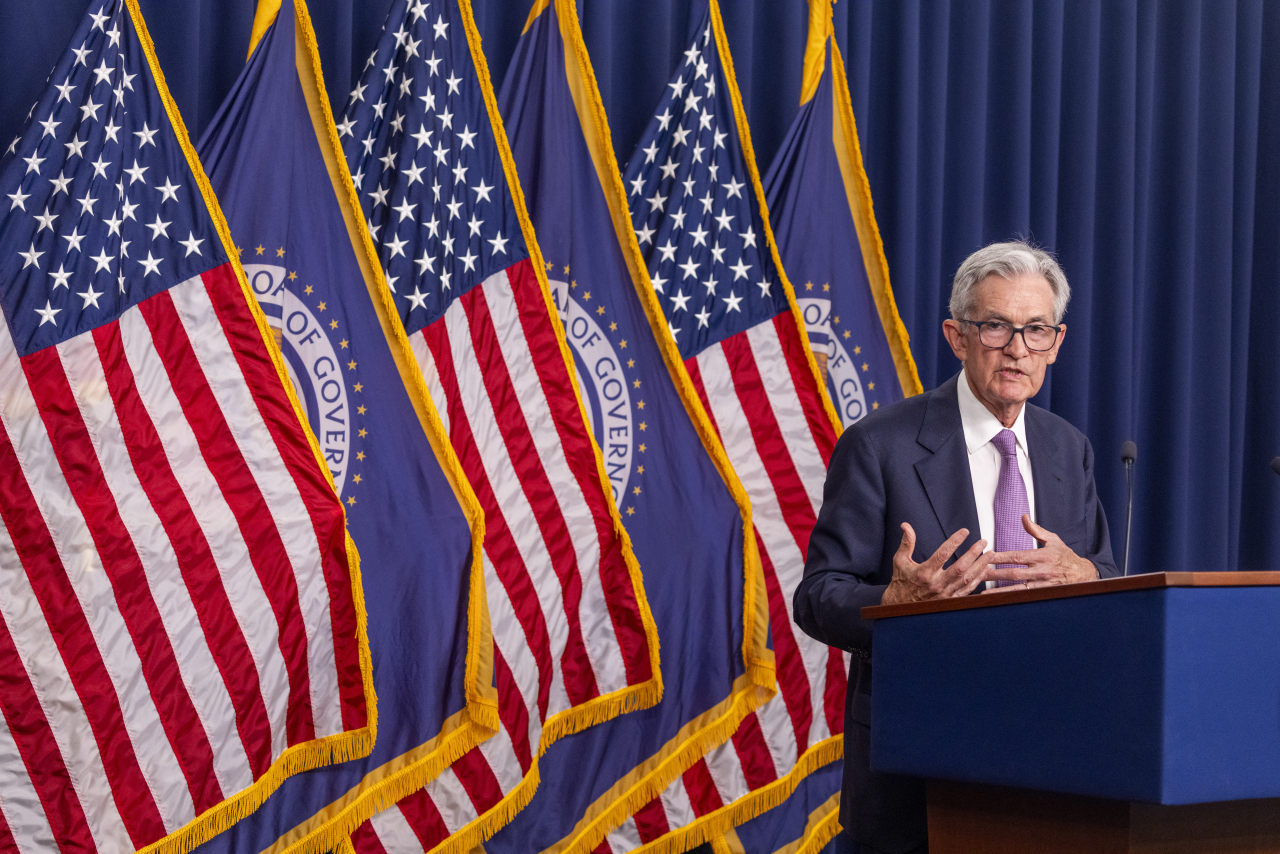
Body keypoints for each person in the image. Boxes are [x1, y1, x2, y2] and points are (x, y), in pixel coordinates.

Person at [793, 241, 1120, 854]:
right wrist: (894, 601)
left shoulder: (1068, 449)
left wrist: (1084, 575)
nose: (1017, 348)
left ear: (1057, 341)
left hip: (1052, 754)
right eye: (996, 326)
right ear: (956, 335)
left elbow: (1102, 575)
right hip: (920, 759)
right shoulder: (879, 445)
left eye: (1036, 330)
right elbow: (816, 597)